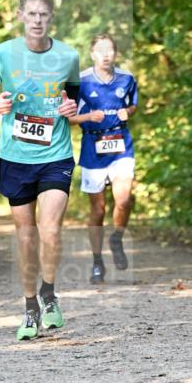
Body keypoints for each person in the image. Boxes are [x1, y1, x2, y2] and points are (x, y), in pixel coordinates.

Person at [0, 0, 79, 340]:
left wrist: (72, 109)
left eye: (44, 14)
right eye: (32, 14)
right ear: (21, 16)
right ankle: (29, 307)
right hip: (15, 157)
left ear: (51, 18)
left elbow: (74, 100)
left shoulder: (68, 56)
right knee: (26, 237)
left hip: (56, 154)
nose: (38, 20)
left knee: (50, 228)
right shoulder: (4, 54)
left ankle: (49, 295)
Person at [69, 34, 138, 283]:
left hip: (120, 145)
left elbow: (133, 105)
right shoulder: (81, 81)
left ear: (115, 54)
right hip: (92, 147)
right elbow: (67, 116)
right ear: (92, 54)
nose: (106, 55)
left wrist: (126, 111)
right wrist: (88, 117)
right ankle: (98, 262)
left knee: (124, 199)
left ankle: (117, 236)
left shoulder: (127, 78)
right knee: (97, 211)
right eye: (100, 50)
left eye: (110, 50)